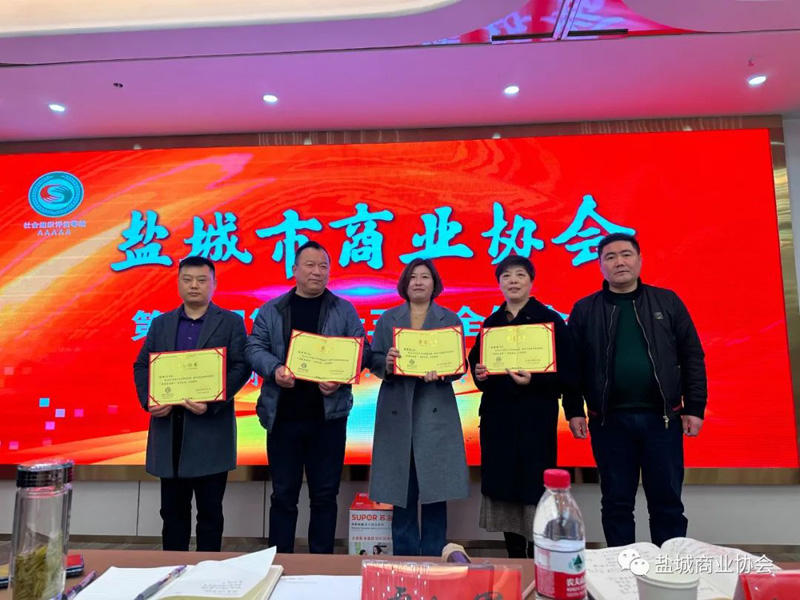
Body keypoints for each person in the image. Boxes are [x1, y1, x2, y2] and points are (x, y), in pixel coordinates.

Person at [565, 232, 707, 548]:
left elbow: (692, 356)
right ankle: (622, 569)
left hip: (663, 420)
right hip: (608, 422)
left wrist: (695, 407)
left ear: (639, 260)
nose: (620, 262)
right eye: (610, 257)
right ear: (600, 265)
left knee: (667, 502)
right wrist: (573, 410)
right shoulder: (585, 309)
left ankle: (669, 568)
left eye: (626, 254)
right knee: (616, 503)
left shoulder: (667, 301)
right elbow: (572, 366)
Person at [246, 240, 371, 553]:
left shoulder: (344, 309)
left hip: (328, 419)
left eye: (323, 266)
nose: (317, 272)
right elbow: (254, 347)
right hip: (283, 417)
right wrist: (275, 369)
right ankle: (280, 562)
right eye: (310, 265)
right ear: (295, 269)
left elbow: (363, 350)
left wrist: (339, 378)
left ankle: (322, 565)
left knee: (325, 496)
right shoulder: (272, 309)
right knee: (283, 496)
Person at [133, 256, 250, 551]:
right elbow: (142, 365)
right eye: (187, 280)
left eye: (201, 280)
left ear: (214, 284)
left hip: (210, 431)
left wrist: (212, 402)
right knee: (172, 513)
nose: (194, 285)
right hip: (169, 431)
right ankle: (174, 568)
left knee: (210, 513)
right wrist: (150, 401)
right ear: (178, 283)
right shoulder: (161, 323)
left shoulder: (231, 322)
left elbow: (241, 366)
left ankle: (208, 569)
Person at [467, 255, 577, 559]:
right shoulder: (491, 324)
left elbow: (569, 372)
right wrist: (479, 373)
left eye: (519, 275)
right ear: (499, 283)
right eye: (506, 276)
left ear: (531, 281)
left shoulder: (550, 320)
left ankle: (539, 557)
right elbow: (477, 366)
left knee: (534, 487)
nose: (513, 281)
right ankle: (515, 557)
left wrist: (536, 380)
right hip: (498, 420)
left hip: (535, 420)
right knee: (504, 488)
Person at [368, 258, 469, 557]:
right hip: (397, 411)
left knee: (436, 490)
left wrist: (445, 372)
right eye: (413, 277)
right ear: (405, 284)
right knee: (402, 490)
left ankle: (436, 555)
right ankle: (406, 558)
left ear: (434, 283)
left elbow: (459, 365)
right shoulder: (388, 319)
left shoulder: (450, 319)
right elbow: (372, 358)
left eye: (425, 277)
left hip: (435, 411)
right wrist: (386, 363)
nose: (419, 282)